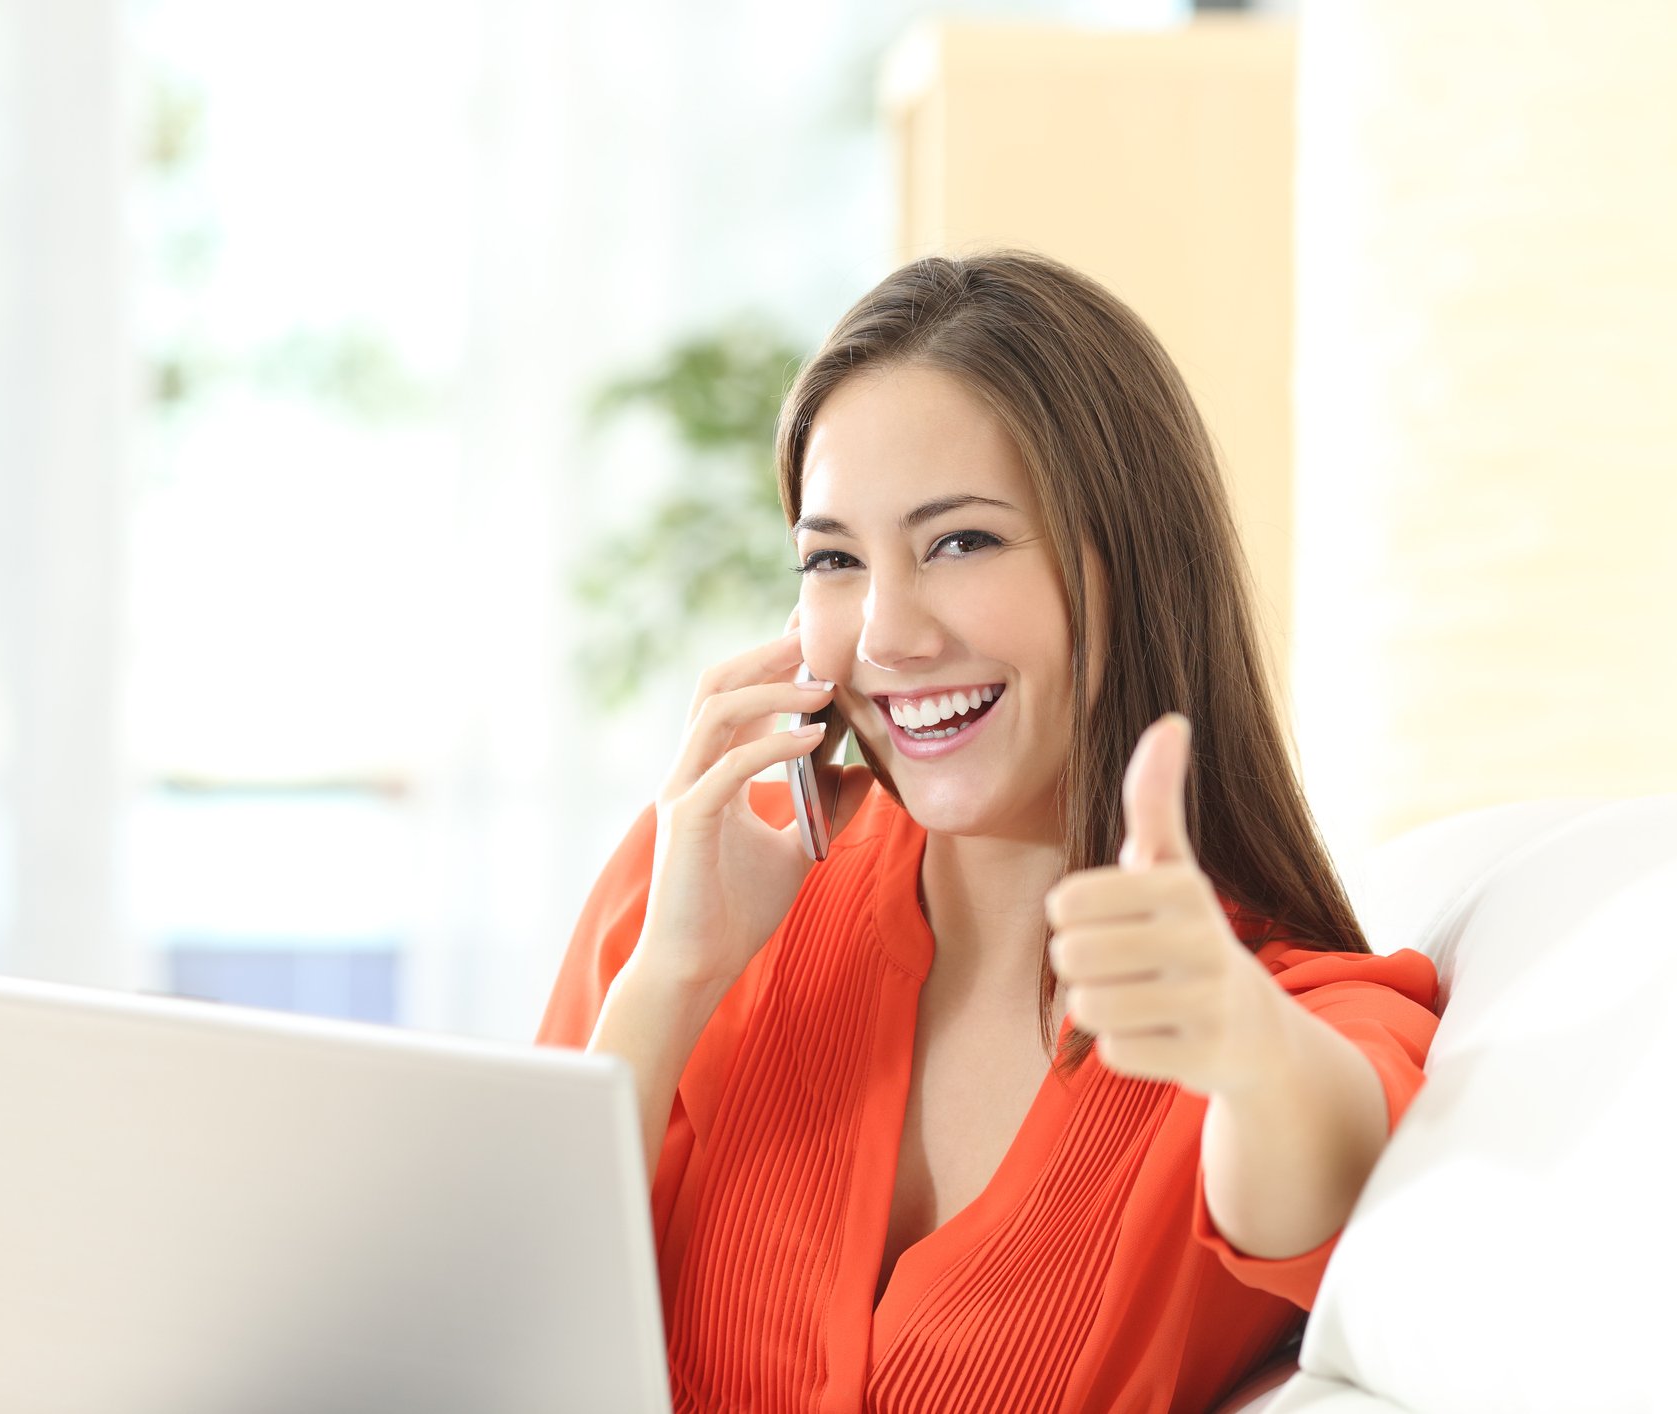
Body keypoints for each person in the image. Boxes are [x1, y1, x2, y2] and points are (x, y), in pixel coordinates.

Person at [535, 251, 1442, 1413]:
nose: (887, 634)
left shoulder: (1258, 1008)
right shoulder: (703, 884)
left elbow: (1318, 1158)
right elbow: (482, 1337)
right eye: (834, 561)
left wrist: (1243, 1043)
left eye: (960, 542)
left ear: (1133, 567)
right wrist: (672, 975)